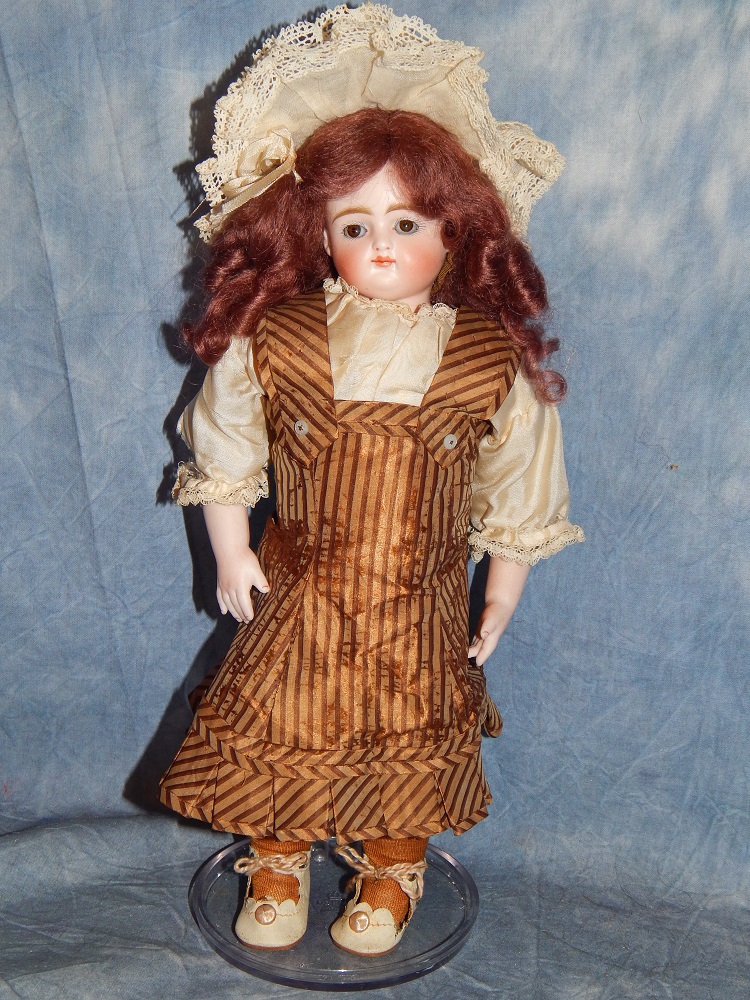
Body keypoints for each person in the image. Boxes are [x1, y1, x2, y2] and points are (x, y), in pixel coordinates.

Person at [160, 5, 583, 956]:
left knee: (406, 736)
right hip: (302, 590)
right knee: (287, 722)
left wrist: (500, 594)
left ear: (456, 230)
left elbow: (521, 483)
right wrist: (230, 550)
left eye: (408, 221)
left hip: (419, 602)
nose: (382, 242)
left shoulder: (487, 359)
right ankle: (277, 857)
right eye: (355, 224)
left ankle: (393, 865)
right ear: (320, 236)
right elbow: (226, 447)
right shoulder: (276, 337)